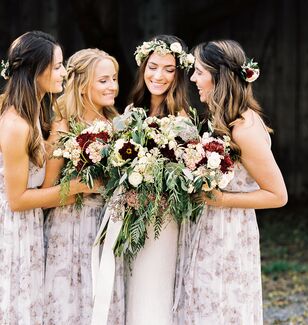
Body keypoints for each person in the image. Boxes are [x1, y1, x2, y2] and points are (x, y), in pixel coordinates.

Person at [173, 39, 288, 324]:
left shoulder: (244, 128)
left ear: (218, 75)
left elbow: (277, 195)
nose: (193, 79)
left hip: (228, 236)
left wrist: (223, 200)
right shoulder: (220, 119)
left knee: (220, 309)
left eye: (199, 71)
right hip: (207, 231)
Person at [0, 31, 98, 325]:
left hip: (27, 228)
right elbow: (17, 200)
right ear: (35, 70)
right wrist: (78, 189)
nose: (64, 72)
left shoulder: (37, 115)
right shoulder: (16, 123)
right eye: (57, 66)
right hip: (12, 230)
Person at [42, 48, 119, 325]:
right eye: (103, 80)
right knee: (73, 308)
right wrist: (82, 187)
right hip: (71, 230)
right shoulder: (62, 127)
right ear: (83, 84)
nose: (112, 86)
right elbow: (45, 197)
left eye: (114, 79)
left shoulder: (119, 125)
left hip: (110, 228)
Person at [125, 34, 193, 325]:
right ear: (143, 67)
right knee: (129, 288)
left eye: (169, 69)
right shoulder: (131, 110)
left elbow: (185, 174)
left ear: (178, 75)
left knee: (154, 288)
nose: (159, 75)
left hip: (162, 217)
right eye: (153, 66)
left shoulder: (182, 118)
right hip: (129, 214)